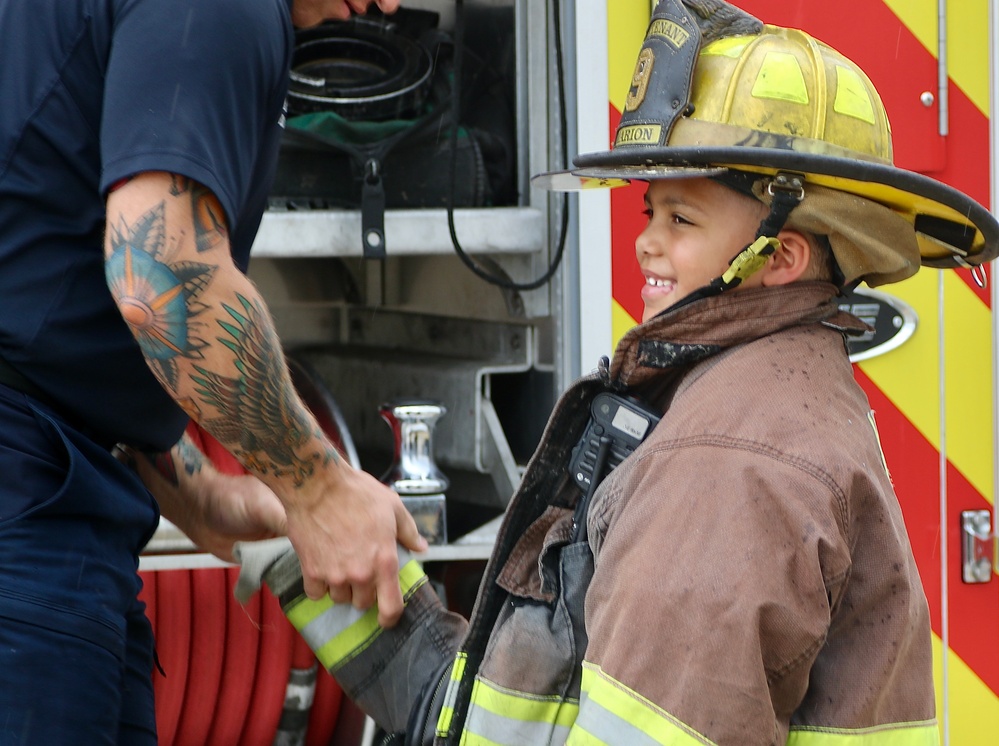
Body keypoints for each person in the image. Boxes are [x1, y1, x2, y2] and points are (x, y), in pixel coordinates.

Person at [235, 0, 999, 744]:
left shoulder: (728, 462)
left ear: (780, 256)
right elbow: (502, 710)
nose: (645, 245)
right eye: (649, 213)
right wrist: (288, 526)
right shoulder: (738, 397)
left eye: (682, 220)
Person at [0, 0, 427, 743]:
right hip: (26, 533)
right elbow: (159, 266)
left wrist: (201, 490)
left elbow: (37, 270)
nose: (388, 5)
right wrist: (316, 489)